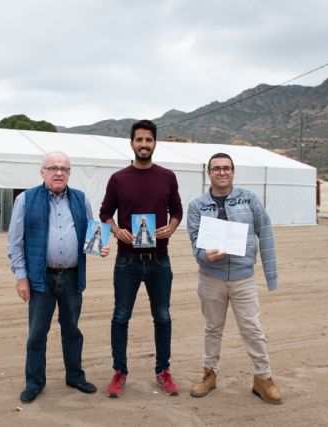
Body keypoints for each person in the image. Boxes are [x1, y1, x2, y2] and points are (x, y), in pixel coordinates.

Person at [7, 151, 109, 404]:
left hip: (72, 277)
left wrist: (99, 246)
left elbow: (89, 232)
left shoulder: (80, 198)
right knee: (37, 334)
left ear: (69, 173)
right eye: (52, 168)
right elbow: (15, 242)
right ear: (42, 172)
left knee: (72, 330)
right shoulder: (26, 199)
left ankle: (75, 376)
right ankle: (34, 382)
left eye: (64, 168)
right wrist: (21, 277)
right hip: (41, 278)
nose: (59, 172)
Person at [186, 152, 282, 404]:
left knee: (252, 329)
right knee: (212, 328)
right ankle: (209, 374)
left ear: (233, 171)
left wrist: (272, 277)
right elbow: (195, 243)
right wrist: (205, 256)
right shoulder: (197, 205)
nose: (221, 172)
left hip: (243, 278)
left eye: (226, 168)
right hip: (210, 278)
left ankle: (263, 378)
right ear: (209, 173)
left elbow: (266, 234)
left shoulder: (249, 199)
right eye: (216, 168)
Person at [99, 119, 183, 398]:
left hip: (160, 259)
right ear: (131, 143)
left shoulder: (168, 177)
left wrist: (171, 227)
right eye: (139, 140)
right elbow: (105, 213)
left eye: (148, 140)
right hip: (127, 262)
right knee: (120, 317)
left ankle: (163, 371)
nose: (144, 144)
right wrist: (116, 230)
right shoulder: (118, 179)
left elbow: (177, 212)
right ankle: (119, 372)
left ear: (155, 143)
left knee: (163, 317)